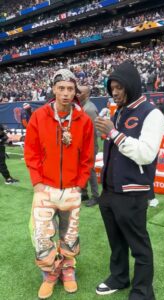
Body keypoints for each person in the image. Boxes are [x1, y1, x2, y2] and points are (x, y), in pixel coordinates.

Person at [95, 61, 164, 300]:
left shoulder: (152, 113)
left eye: (119, 87)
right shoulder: (120, 110)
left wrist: (114, 133)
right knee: (116, 242)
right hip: (110, 191)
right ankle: (119, 277)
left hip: (133, 192)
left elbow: (146, 154)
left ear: (132, 85)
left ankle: (143, 292)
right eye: (112, 88)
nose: (114, 92)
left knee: (139, 246)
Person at [24, 69, 94, 299]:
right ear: (54, 89)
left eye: (70, 89)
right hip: (45, 188)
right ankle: (50, 274)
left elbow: (87, 157)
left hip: (72, 189)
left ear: (75, 92)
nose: (65, 93)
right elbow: (31, 151)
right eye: (61, 88)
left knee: (70, 234)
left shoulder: (83, 120)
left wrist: (80, 184)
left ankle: (68, 270)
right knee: (43, 236)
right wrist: (37, 183)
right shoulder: (39, 116)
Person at [77, 85, 100, 207]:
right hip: (83, 146)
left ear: (86, 94)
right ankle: (84, 193)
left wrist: (90, 149)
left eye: (79, 92)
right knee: (82, 170)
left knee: (90, 171)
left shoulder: (89, 109)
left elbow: (94, 131)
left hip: (89, 146)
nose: (76, 94)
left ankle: (96, 196)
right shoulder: (82, 107)